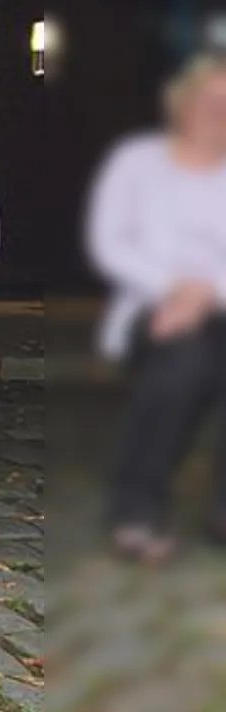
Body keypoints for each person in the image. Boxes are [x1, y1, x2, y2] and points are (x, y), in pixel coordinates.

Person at [86, 53, 226, 562]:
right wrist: (174, 289)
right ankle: (136, 509)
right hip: (150, 307)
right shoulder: (137, 161)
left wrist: (204, 293)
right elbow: (109, 243)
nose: (217, 112)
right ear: (181, 103)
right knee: (184, 364)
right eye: (207, 100)